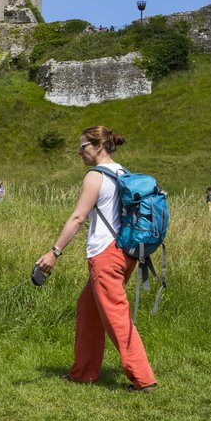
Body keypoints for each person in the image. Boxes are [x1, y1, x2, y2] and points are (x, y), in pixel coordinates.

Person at [34, 126, 158, 392]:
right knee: (87, 309)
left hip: (105, 255)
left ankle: (143, 378)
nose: (79, 152)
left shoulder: (94, 176)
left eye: (83, 146)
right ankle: (83, 373)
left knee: (116, 316)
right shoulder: (122, 172)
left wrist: (54, 252)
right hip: (126, 253)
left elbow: (78, 217)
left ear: (98, 146)